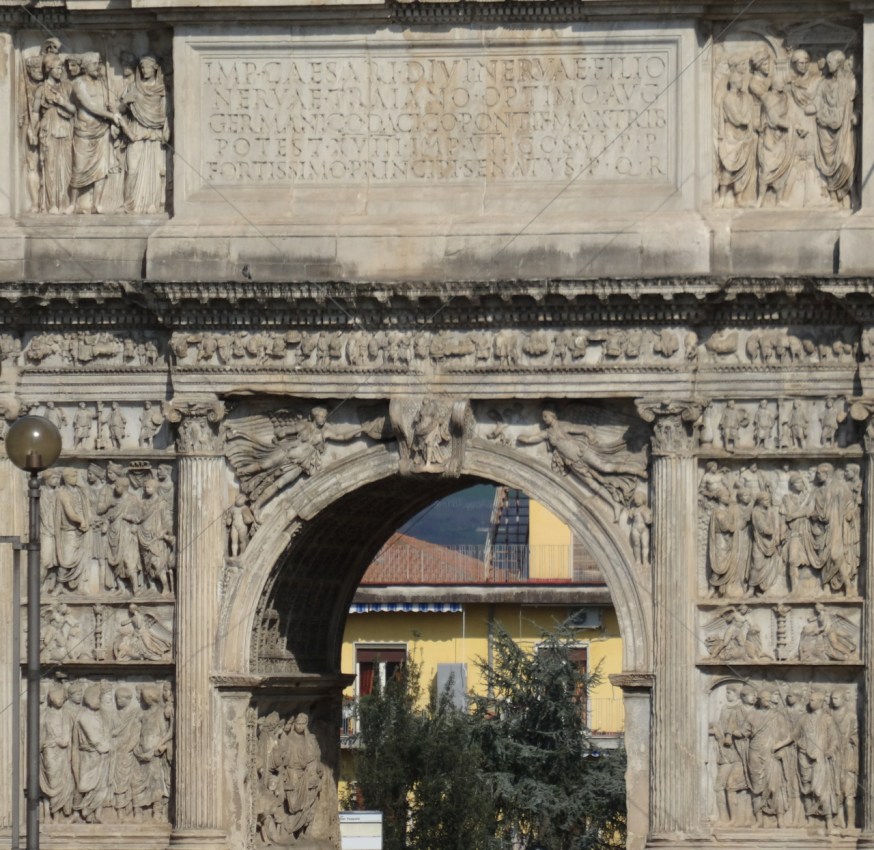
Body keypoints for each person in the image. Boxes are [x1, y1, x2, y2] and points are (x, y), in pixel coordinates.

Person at [517, 409, 646, 521]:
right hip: (572, 462)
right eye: (543, 417)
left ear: (553, 415)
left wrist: (590, 435)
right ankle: (615, 505)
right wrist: (521, 438)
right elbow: (531, 439)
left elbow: (582, 430)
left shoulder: (562, 427)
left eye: (545, 416)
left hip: (582, 451)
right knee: (592, 485)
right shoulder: (548, 433)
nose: (544, 419)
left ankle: (637, 470)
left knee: (605, 467)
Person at [69, 52, 120, 214]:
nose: (97, 67)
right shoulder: (78, 83)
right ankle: (72, 203)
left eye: (98, 63)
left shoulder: (102, 83)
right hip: (84, 130)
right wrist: (111, 116)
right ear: (85, 66)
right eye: (94, 64)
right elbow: (89, 105)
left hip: (101, 130)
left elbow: (107, 104)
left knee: (101, 169)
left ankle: (97, 204)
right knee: (79, 167)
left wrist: (114, 113)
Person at [118, 54, 169, 213]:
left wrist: (166, 131)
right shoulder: (133, 87)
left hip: (154, 133)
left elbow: (166, 113)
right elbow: (120, 111)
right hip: (136, 132)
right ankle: (128, 203)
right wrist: (124, 102)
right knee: (132, 170)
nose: (144, 70)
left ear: (154, 68)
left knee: (155, 170)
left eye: (147, 67)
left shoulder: (161, 90)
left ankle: (152, 203)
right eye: (141, 67)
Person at [38, 54, 75, 214]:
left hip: (66, 128)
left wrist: (63, 102)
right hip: (49, 127)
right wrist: (33, 130)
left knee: (66, 167)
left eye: (61, 67)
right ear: (49, 69)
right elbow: (34, 112)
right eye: (57, 68)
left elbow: (74, 109)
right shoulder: (42, 89)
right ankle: (51, 203)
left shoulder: (67, 87)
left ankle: (64, 202)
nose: (61, 70)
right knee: (50, 166)